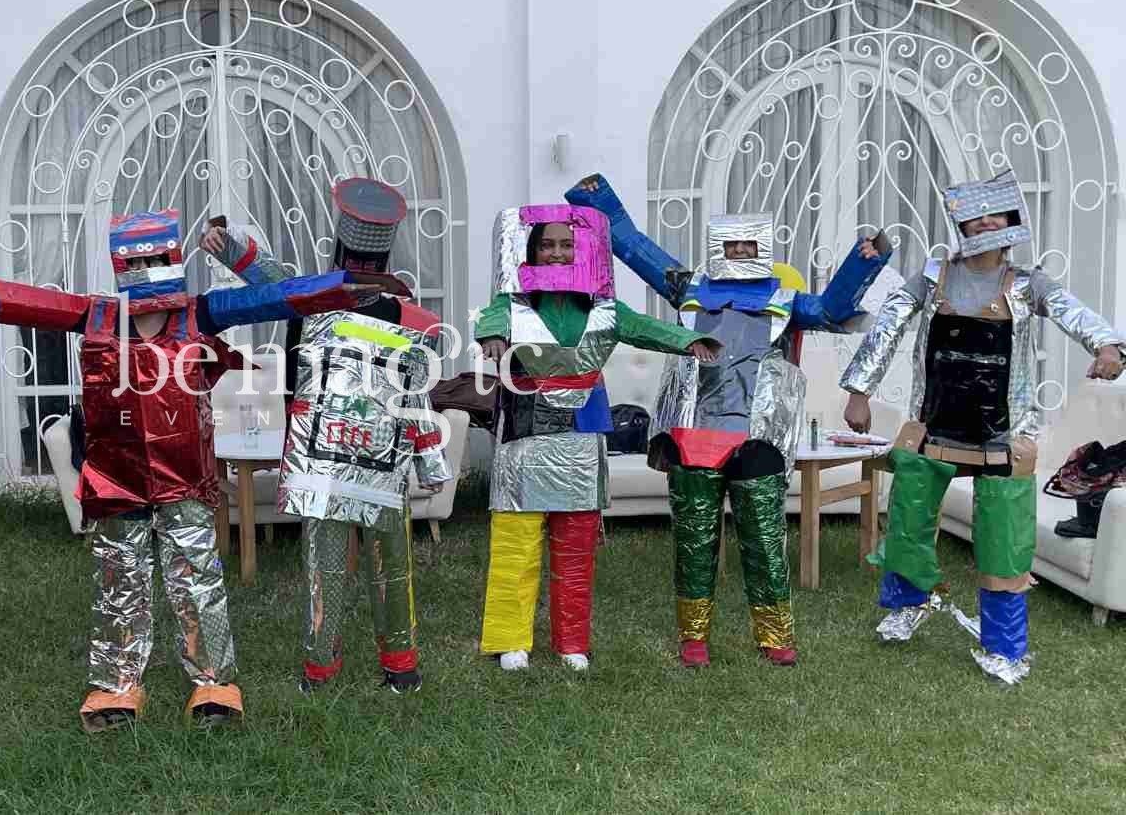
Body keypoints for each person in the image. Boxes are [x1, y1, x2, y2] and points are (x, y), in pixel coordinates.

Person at [0, 208, 377, 729]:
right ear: (120, 265)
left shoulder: (200, 314)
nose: (147, 270)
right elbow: (23, 301)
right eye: (136, 261)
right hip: (117, 477)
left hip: (184, 477)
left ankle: (214, 682)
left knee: (197, 579)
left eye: (155, 259)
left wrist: (345, 288)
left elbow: (276, 297)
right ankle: (116, 687)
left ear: (173, 258)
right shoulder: (97, 316)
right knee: (119, 580)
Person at [568, 174, 891, 667]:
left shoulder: (786, 301)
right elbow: (637, 250)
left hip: (757, 439)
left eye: (748, 245)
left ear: (763, 249)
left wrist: (864, 261)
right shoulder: (690, 289)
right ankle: (693, 637)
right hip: (693, 434)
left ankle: (775, 637)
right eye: (731, 245)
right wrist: (596, 203)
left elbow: (831, 309)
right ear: (718, 248)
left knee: (764, 539)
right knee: (694, 541)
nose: (739, 252)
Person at [840, 170, 1124, 683]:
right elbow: (889, 324)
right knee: (907, 521)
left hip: (1004, 437)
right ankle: (907, 604)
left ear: (1012, 221)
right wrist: (859, 390)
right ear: (962, 223)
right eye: (978, 215)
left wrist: (1107, 345)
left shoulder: (1028, 284)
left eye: (998, 213)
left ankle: (1004, 647)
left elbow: (1072, 312)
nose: (988, 222)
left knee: (1004, 543)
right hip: (933, 426)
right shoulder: (933, 276)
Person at [200, 178, 451, 693]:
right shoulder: (314, 299)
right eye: (358, 259)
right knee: (326, 567)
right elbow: (269, 277)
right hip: (324, 462)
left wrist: (430, 457)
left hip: (381, 463)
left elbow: (414, 392)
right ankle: (323, 667)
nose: (363, 268)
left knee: (386, 565)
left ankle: (397, 663)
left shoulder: (407, 320)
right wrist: (227, 246)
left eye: (370, 261)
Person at [472, 201, 718, 672]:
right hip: (524, 436)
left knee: (576, 545)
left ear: (583, 250)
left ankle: (572, 642)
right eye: (547, 245)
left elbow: (645, 328)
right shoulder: (512, 305)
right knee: (516, 542)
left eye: (566, 244)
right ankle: (511, 640)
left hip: (581, 439)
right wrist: (492, 339)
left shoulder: (606, 311)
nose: (557, 253)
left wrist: (689, 341)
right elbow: (492, 320)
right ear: (531, 251)